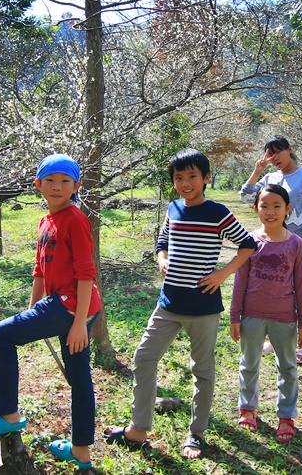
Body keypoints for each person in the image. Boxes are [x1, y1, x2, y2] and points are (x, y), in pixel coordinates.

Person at [105, 148, 257, 459]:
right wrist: (162, 259)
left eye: (192, 176)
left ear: (206, 178)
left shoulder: (217, 212)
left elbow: (247, 245)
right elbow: (163, 241)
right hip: (168, 304)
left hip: (203, 306)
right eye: (179, 177)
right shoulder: (173, 208)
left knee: (202, 371)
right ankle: (138, 429)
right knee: (144, 358)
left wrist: (222, 274)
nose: (185, 183)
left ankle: (196, 434)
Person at [0, 153, 102, 472]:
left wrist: (79, 323)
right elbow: (40, 270)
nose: (57, 186)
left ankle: (7, 415)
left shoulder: (76, 219)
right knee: (79, 378)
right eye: (50, 180)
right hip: (62, 305)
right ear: (38, 184)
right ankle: (81, 452)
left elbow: (85, 273)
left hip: (72, 306)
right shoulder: (46, 220)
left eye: (65, 181)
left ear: (76, 186)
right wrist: (31, 311)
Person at [230, 184, 302, 443]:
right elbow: (240, 281)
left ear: (288, 209)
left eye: (277, 206)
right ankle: (247, 409)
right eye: (264, 205)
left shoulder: (296, 245)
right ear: (256, 209)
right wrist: (235, 316)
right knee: (249, 364)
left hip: (284, 318)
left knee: (287, 367)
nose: (270, 211)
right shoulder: (250, 242)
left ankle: (286, 416)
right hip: (251, 317)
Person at [239, 136, 302, 364]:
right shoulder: (269, 178)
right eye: (270, 154)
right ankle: (274, 337)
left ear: (290, 150)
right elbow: (246, 196)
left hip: (299, 244)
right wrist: (258, 170)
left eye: (278, 152)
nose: (274, 157)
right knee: (274, 290)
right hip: (273, 244)